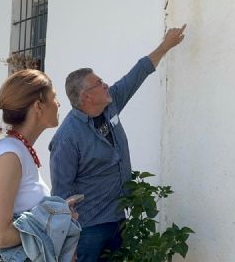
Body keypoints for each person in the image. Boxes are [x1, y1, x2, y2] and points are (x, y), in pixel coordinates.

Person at [49, 24, 187, 261]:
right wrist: (69, 241)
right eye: (99, 83)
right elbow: (62, 192)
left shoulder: (110, 103)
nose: (106, 85)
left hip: (118, 217)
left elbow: (137, 74)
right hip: (89, 227)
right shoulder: (67, 138)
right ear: (86, 97)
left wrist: (166, 45)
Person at [0, 69, 80, 262]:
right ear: (39, 106)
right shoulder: (9, 155)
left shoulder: (18, 150)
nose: (58, 103)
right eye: (54, 97)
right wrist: (57, 219)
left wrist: (60, 211)